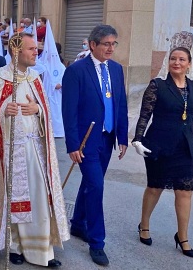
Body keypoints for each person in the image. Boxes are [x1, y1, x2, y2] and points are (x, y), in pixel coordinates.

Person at [0, 33, 69, 268]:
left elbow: (45, 111)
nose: (36, 53)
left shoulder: (34, 78)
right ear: (16, 51)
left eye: (37, 49)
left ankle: (42, 251)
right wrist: (2, 109)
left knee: (38, 197)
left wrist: (38, 109)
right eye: (31, 49)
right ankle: (15, 247)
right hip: (8, 151)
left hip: (34, 148)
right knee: (13, 198)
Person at [62, 24, 128, 266]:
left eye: (114, 44)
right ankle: (97, 242)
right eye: (106, 44)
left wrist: (122, 137)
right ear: (93, 45)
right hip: (86, 141)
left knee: (90, 183)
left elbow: (119, 104)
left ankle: (78, 223)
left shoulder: (117, 70)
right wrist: (72, 145)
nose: (111, 48)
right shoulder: (77, 71)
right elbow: (68, 112)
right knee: (97, 186)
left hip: (107, 138)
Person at [132, 32, 193, 258]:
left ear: (189, 64)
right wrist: (137, 139)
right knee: (155, 187)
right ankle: (144, 225)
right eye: (173, 59)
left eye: (182, 60)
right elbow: (145, 115)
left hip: (186, 148)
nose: (177, 63)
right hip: (160, 144)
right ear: (168, 62)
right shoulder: (157, 85)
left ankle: (183, 237)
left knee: (185, 192)